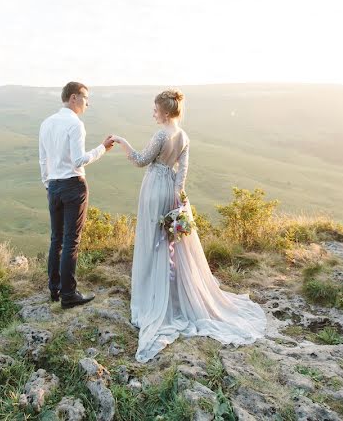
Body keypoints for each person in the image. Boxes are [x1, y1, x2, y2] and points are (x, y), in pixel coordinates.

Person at [111, 88, 266, 362]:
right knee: (169, 242)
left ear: (165, 111)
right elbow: (182, 175)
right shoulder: (183, 136)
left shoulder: (161, 135)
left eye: (155, 109)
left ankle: (152, 298)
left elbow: (139, 160)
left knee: (153, 242)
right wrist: (178, 201)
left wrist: (122, 141)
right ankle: (172, 294)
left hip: (154, 188)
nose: (153, 113)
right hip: (171, 190)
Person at [39, 81, 115, 309]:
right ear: (73, 97)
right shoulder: (75, 124)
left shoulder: (46, 123)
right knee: (71, 241)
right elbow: (79, 160)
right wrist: (102, 148)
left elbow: (43, 159)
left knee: (56, 239)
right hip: (73, 185)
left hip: (53, 185)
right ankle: (69, 294)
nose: (87, 103)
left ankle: (55, 290)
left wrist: (48, 183)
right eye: (85, 98)